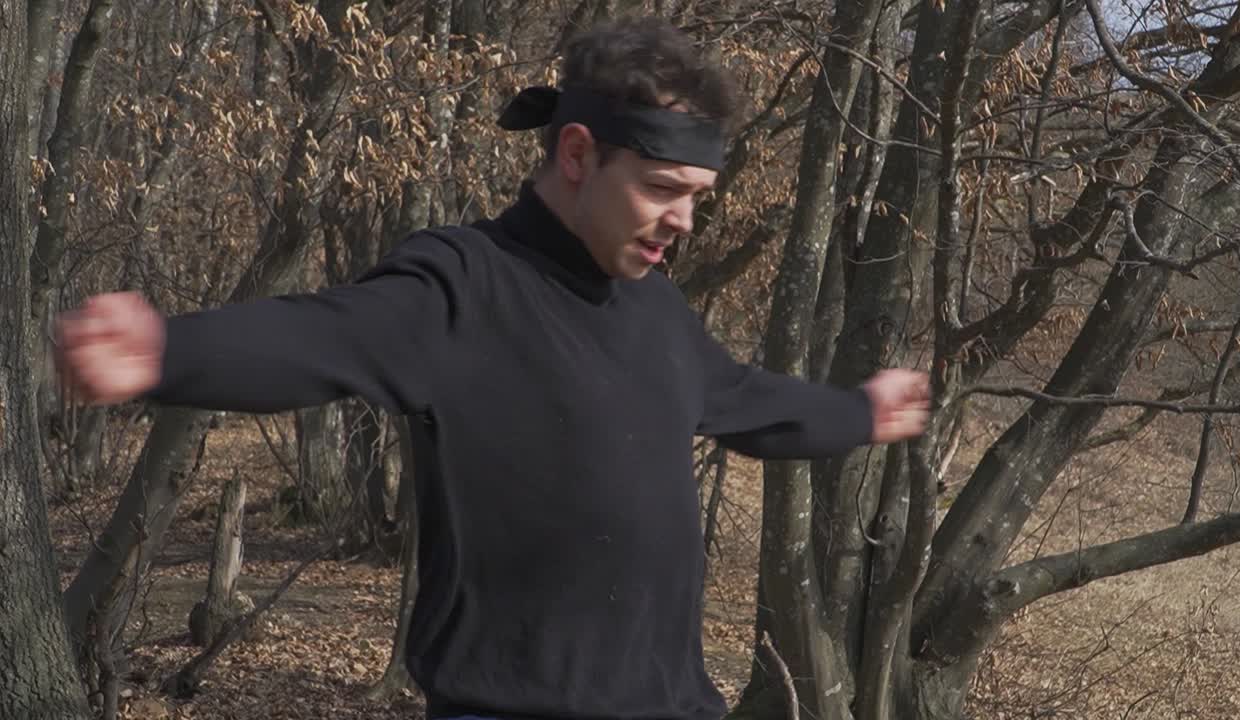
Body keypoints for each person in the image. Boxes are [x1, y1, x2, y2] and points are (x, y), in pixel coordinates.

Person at [56, 16, 930, 720]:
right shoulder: (464, 286)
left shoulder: (656, 308)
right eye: (665, 188)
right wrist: (166, 353)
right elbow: (324, 337)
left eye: (700, 195)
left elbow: (747, 400)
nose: (686, 222)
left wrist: (863, 413)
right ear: (579, 153)